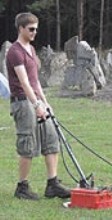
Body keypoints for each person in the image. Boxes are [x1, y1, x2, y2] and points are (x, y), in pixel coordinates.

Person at [6, 12, 70, 200]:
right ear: (21, 28)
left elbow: (35, 82)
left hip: (35, 100)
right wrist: (36, 105)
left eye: (36, 29)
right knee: (28, 144)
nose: (34, 32)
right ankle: (22, 187)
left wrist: (45, 103)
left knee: (51, 139)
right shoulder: (15, 52)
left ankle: (52, 184)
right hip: (23, 102)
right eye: (31, 29)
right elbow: (24, 83)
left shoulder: (31, 50)